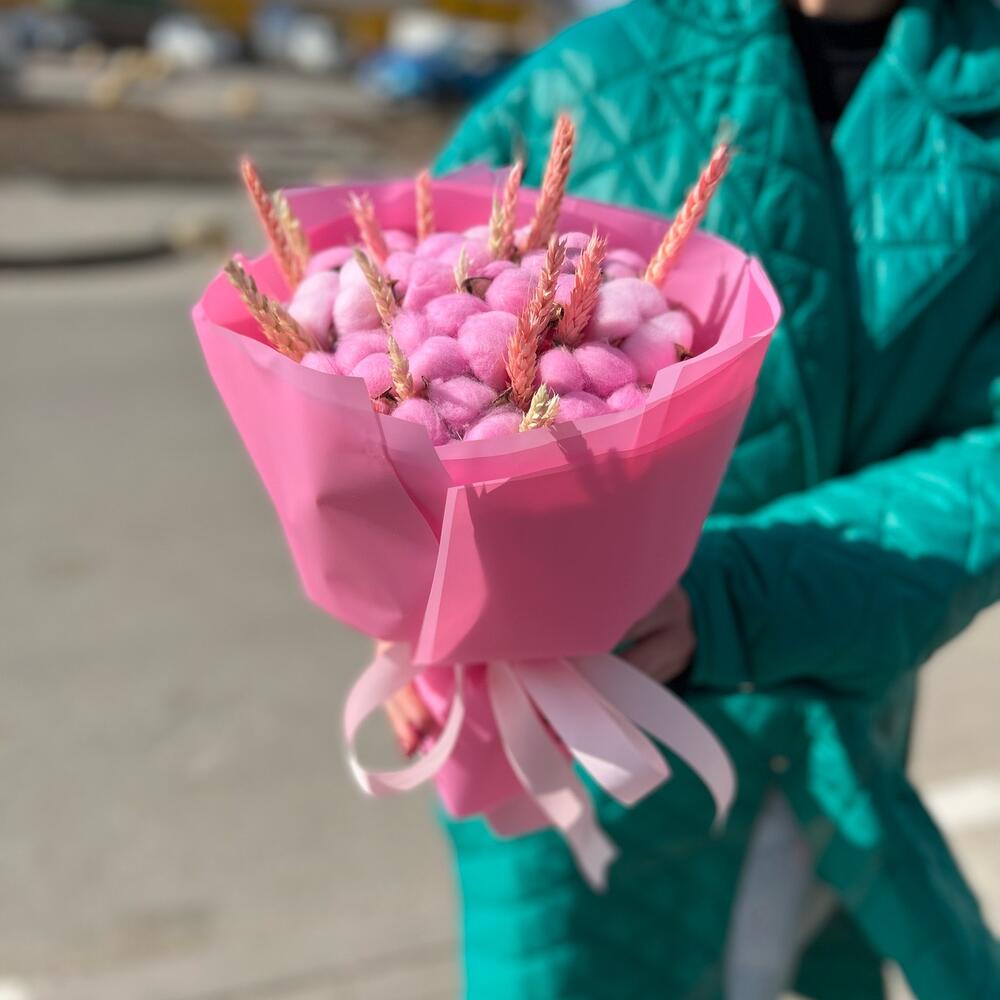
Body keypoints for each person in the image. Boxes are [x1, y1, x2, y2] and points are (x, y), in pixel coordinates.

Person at [386, 0, 1000, 995]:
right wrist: (405, 592)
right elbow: (404, 348)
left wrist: (742, 593)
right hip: (562, 723)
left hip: (813, 700)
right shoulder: (591, 75)